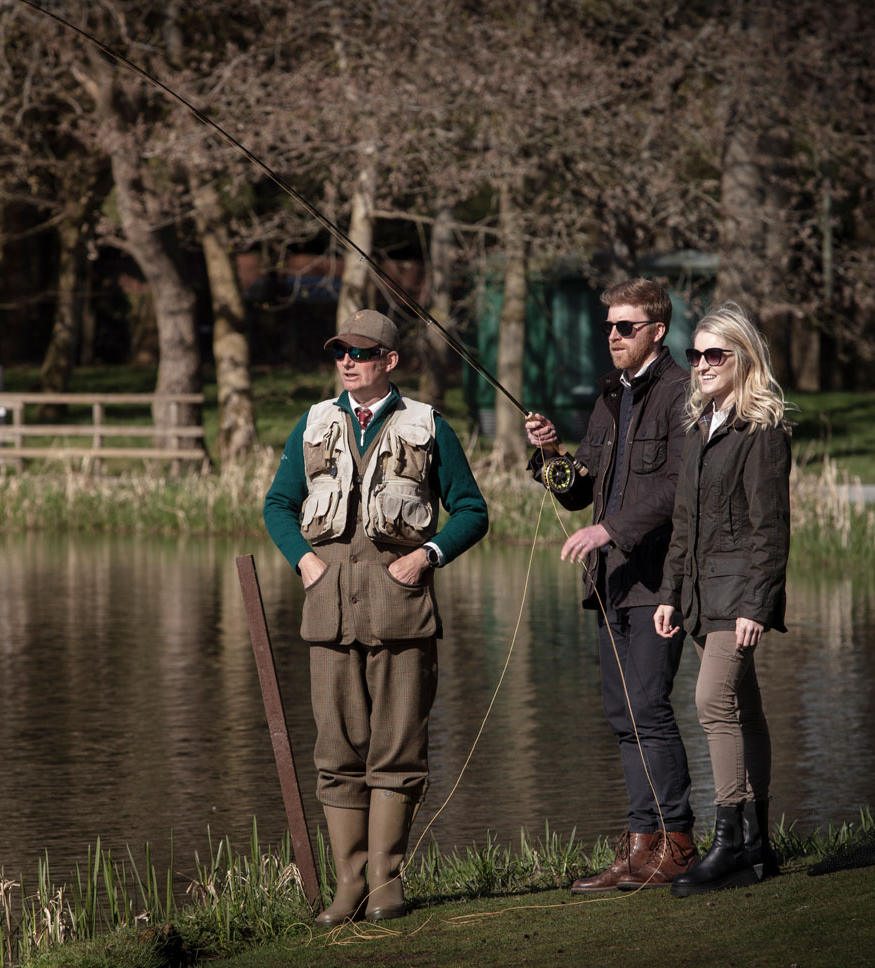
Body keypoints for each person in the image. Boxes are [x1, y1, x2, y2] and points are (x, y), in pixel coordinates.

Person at [264, 309, 488, 926]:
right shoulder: (311, 425)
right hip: (328, 612)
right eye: (341, 351)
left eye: (362, 352)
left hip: (403, 612)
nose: (348, 361)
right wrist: (304, 563)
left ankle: (387, 883)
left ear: (390, 361)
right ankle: (347, 888)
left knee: (398, 749)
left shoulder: (429, 426)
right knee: (336, 751)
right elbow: (278, 505)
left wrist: (428, 555)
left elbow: (472, 510)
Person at [525, 278, 698, 892]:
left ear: (657, 331)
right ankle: (638, 847)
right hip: (611, 584)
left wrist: (609, 532)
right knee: (622, 715)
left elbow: (680, 487)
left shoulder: (683, 393)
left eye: (626, 327)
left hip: (661, 581)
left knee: (650, 708)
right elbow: (578, 492)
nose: (613, 337)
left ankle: (677, 845)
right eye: (609, 327)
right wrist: (550, 457)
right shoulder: (608, 400)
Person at [655, 301, 791, 897]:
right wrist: (668, 593)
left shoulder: (761, 430)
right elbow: (684, 523)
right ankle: (761, 843)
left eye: (716, 354)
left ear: (744, 359)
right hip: (700, 594)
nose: (703, 364)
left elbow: (771, 529)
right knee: (746, 709)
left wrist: (757, 606)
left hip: (738, 596)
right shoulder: (699, 427)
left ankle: (729, 840)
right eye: (697, 354)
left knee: (712, 701)